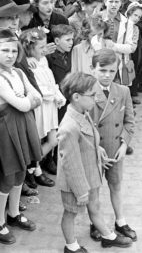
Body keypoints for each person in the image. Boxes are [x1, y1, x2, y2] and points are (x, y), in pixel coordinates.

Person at [57, 72, 132, 253]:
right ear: (76, 97)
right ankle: (71, 245)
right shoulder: (69, 127)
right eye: (92, 94)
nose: (96, 97)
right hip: (75, 181)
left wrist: (97, 148)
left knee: (95, 205)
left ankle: (107, 236)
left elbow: (88, 136)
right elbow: (71, 164)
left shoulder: (82, 112)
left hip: (89, 171)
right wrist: (81, 191)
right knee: (70, 212)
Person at [90, 49, 137, 243]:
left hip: (115, 149)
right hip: (94, 150)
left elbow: (130, 122)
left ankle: (120, 221)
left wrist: (124, 145)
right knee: (94, 189)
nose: (107, 75)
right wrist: (95, 146)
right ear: (93, 69)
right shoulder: (87, 91)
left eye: (111, 71)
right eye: (102, 70)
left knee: (116, 185)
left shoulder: (123, 91)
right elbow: (82, 124)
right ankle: (95, 223)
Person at [0, 29, 42, 244]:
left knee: (20, 173)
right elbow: (24, 103)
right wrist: (24, 99)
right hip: (5, 131)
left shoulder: (18, 72)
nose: (9, 54)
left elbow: (37, 96)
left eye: (13, 50)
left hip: (22, 127)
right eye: (4, 50)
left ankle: (14, 214)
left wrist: (26, 99)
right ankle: (0, 222)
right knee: (7, 176)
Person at [20, 27, 66, 184]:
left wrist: (58, 96)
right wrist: (53, 95)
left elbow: (51, 82)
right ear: (30, 48)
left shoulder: (43, 59)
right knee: (38, 140)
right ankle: (35, 170)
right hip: (41, 108)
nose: (44, 49)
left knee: (53, 140)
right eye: (41, 47)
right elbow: (37, 89)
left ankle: (31, 166)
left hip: (50, 106)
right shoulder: (28, 64)